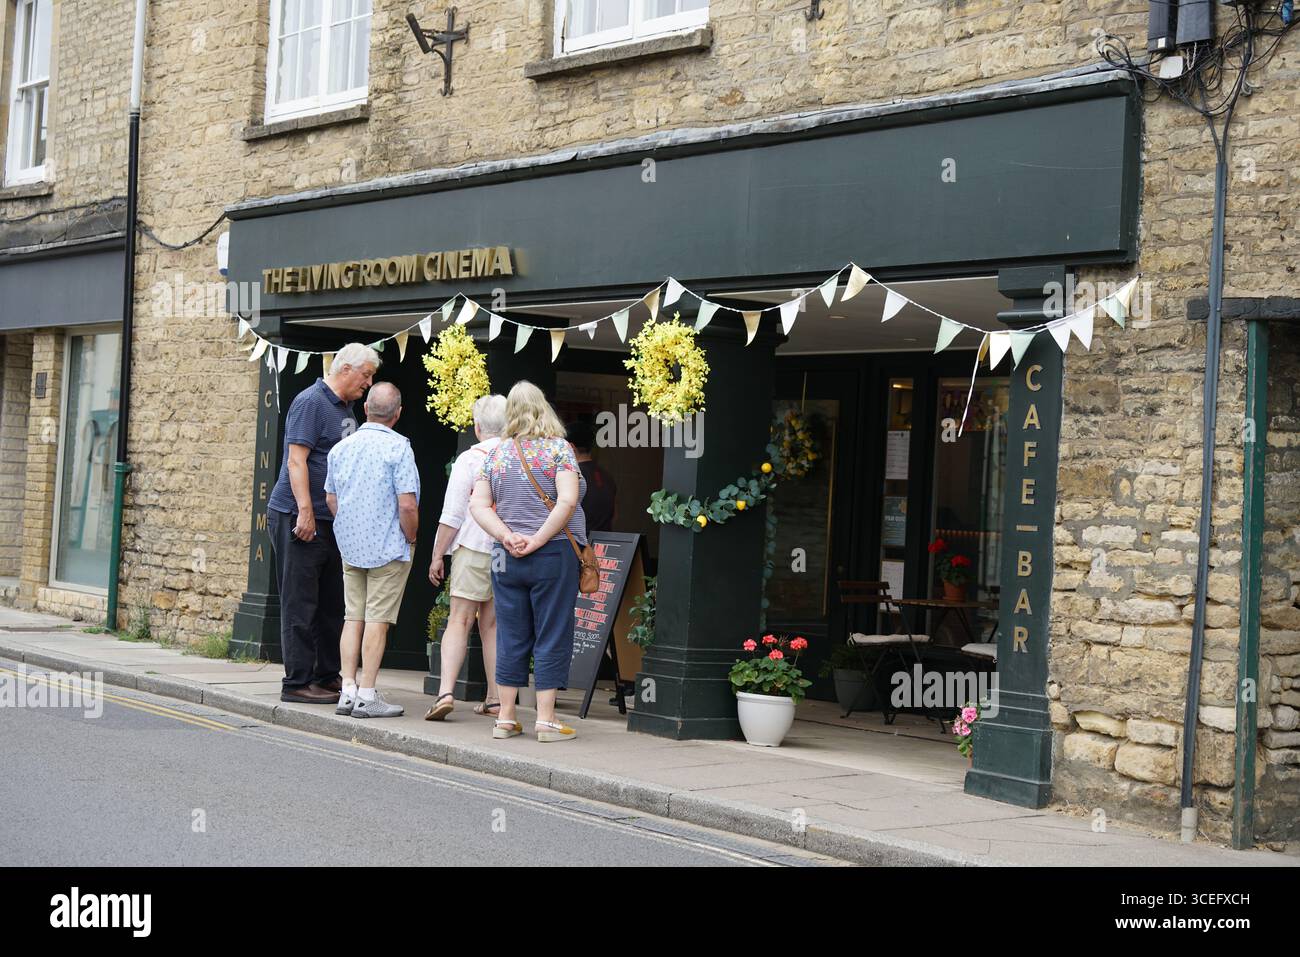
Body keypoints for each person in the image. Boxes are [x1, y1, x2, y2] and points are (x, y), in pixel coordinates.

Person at [470, 381, 587, 743]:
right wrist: (537, 539)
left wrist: (507, 536)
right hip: (552, 554)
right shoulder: (559, 452)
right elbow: (567, 502)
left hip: (507, 556)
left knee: (510, 631)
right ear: (544, 409)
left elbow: (477, 505)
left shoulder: (496, 454)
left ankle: (505, 717)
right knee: (552, 631)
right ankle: (546, 720)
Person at [266, 342, 377, 704]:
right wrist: (305, 512)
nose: (369, 383)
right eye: (366, 375)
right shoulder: (311, 402)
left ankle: (327, 675)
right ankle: (297, 682)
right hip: (299, 517)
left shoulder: (347, 408)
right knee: (300, 603)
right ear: (345, 369)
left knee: (331, 604)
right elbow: (296, 461)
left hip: (331, 521)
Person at [324, 382, 420, 718]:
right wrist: (411, 537)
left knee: (353, 617)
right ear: (398, 414)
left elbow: (331, 499)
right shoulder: (399, 448)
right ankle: (367, 694)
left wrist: (350, 525)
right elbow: (407, 504)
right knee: (377, 621)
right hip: (387, 547)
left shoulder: (341, 448)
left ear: (366, 408)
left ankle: (347, 690)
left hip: (351, 546)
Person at [426, 394, 507, 721]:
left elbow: (453, 514)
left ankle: (445, 692)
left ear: (477, 427)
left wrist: (437, 555)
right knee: (493, 625)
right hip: (507, 550)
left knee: (459, 619)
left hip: (473, 546)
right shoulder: (516, 457)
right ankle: (496, 698)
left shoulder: (470, 460)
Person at [566, 420, 617, 534]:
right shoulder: (607, 476)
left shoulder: (568, 477)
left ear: (571, 447)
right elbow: (614, 516)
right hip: (602, 545)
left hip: (578, 545)